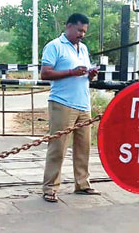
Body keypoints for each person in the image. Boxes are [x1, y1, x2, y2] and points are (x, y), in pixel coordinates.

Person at [40, 13, 99, 202]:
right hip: (62, 103)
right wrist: (70, 72)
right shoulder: (54, 46)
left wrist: (90, 75)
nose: (82, 34)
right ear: (68, 26)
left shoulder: (83, 49)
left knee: (83, 147)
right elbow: (45, 73)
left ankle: (82, 183)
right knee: (58, 146)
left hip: (83, 103)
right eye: (79, 30)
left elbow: (83, 73)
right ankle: (50, 187)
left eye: (84, 31)